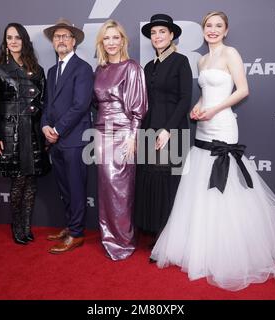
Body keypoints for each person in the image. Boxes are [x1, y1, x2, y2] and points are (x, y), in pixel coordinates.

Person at [150, 11, 275, 291]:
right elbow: (207, 92)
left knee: (224, 182)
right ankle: (203, 246)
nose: (212, 30)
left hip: (223, 125)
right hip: (203, 125)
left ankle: (230, 249)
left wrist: (214, 109)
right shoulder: (203, 59)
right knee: (200, 182)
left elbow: (242, 90)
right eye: (208, 26)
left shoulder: (231, 54)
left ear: (226, 30)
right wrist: (199, 105)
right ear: (203, 30)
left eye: (218, 26)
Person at [0, 22, 51, 245]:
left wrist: (44, 133)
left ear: (24, 41)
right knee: (18, 181)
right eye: (9, 37)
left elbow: (43, 103)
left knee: (31, 181)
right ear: (5, 42)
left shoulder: (38, 69)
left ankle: (26, 226)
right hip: (11, 131)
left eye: (17, 37)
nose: (13, 41)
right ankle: (16, 226)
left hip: (32, 130)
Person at [135, 14, 192, 250]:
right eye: (153, 33)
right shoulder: (148, 67)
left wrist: (168, 130)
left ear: (171, 35)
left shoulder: (181, 61)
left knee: (167, 183)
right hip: (149, 129)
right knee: (150, 181)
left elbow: (185, 99)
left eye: (162, 32)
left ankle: (167, 239)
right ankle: (153, 232)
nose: (157, 36)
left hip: (173, 130)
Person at [93, 20, 148, 260]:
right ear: (101, 42)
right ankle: (109, 237)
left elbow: (139, 107)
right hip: (101, 132)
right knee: (106, 188)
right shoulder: (100, 69)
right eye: (107, 38)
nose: (111, 42)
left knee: (122, 189)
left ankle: (124, 240)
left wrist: (133, 136)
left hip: (124, 132)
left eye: (116, 38)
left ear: (123, 41)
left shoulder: (132, 67)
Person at [42, 18, 94, 254]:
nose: (61, 40)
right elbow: (47, 105)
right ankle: (70, 226)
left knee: (75, 187)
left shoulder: (83, 68)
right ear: (53, 42)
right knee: (64, 187)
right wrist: (45, 126)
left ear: (74, 41)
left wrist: (58, 129)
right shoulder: (52, 71)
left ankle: (77, 234)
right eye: (57, 36)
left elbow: (81, 105)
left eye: (65, 36)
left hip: (74, 139)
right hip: (55, 141)